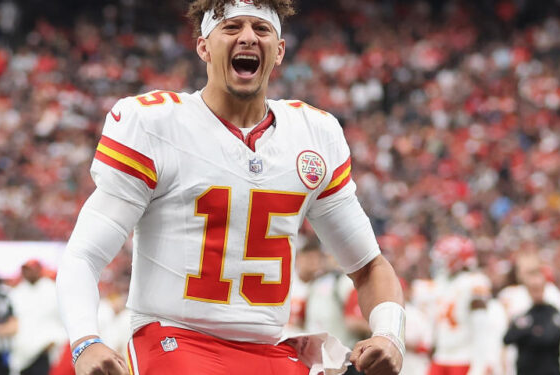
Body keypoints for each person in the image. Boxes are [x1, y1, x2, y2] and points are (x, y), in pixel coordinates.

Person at [56, 1, 406, 375]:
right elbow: (84, 255)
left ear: (280, 51)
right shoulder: (154, 125)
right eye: (232, 27)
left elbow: (368, 267)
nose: (248, 37)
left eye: (261, 28)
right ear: (204, 46)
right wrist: (85, 341)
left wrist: (390, 335)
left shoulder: (314, 136)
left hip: (268, 351)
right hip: (176, 339)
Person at [427, 235, 494, 375]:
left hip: (463, 357)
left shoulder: (474, 282)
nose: (441, 262)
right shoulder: (442, 282)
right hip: (441, 355)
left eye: (445, 257)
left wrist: (479, 364)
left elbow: (481, 327)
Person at [503, 253, 560, 375]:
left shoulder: (554, 301)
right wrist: (534, 330)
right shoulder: (520, 303)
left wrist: (526, 330)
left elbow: (549, 337)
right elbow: (508, 337)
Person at [9, 260, 66, 375]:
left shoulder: (52, 289)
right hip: (23, 350)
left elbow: (61, 318)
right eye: (25, 270)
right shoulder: (17, 292)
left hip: (45, 349)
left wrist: (55, 340)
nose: (28, 273)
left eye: (31, 269)